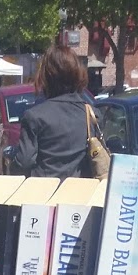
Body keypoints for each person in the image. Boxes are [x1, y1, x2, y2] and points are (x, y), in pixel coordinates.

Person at [10, 45, 90, 179]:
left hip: (44, 194)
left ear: (47, 76)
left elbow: (24, 162)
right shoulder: (91, 114)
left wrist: (12, 162)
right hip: (81, 195)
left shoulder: (35, 117)